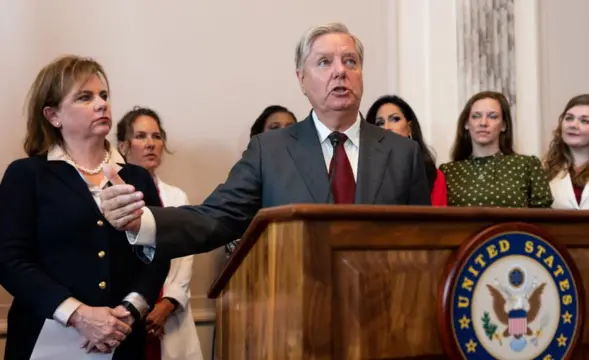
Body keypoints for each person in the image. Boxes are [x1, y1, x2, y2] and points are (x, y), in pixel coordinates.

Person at [99, 22, 431, 262]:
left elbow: (424, 243)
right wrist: (142, 221)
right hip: (297, 321)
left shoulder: (404, 153)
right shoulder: (269, 151)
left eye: (350, 62)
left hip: (387, 318)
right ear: (302, 79)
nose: (340, 72)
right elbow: (215, 217)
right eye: (324, 62)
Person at [0, 55, 169, 359]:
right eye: (84, 97)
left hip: (123, 340)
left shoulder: (137, 176)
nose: (102, 104)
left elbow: (156, 254)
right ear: (53, 116)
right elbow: (9, 260)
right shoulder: (27, 175)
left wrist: (131, 311)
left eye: (103, 95)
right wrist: (78, 314)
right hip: (44, 339)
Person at [117, 107, 203, 360]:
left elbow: (186, 257)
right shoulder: (112, 196)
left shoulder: (177, 197)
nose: (151, 144)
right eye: (141, 136)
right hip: (124, 312)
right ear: (123, 146)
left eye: (156, 136)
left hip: (169, 312)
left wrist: (168, 303)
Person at [439, 91, 553, 208]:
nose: (483, 123)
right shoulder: (448, 172)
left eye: (492, 116)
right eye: (476, 116)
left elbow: (544, 219)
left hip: (515, 227)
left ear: (504, 125)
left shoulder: (527, 165)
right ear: (467, 124)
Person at [225, 105, 298, 258]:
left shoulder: (309, 178)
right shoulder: (247, 178)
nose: (283, 132)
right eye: (274, 127)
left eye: (290, 128)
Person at [365, 95, 446, 205]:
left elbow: (435, 220)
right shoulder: (362, 169)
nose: (386, 127)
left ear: (410, 128)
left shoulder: (434, 175)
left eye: (395, 119)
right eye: (380, 123)